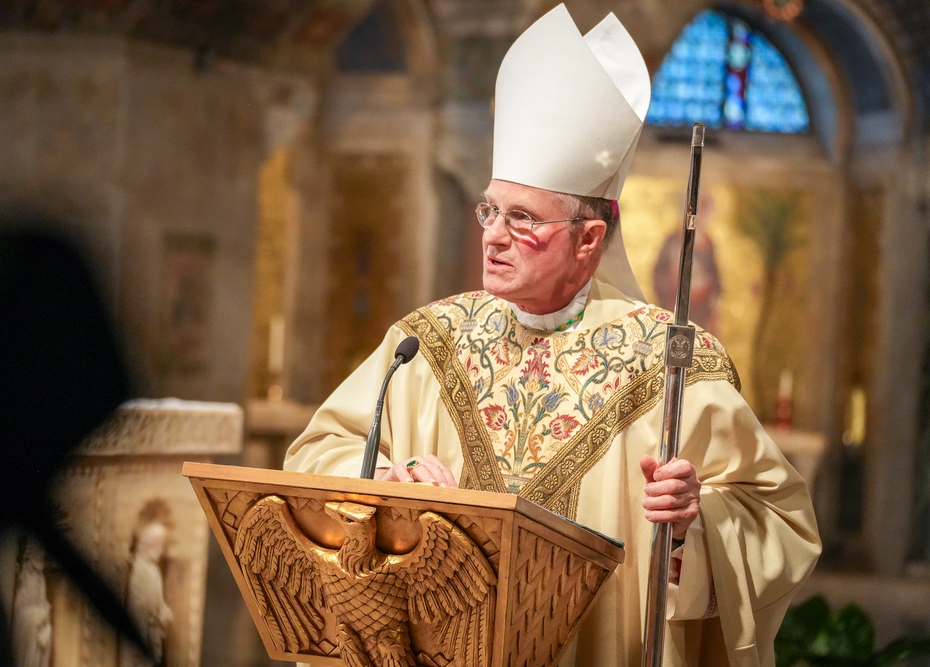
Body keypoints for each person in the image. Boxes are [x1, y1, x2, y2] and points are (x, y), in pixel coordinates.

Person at [284, 5, 820, 666]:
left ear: (588, 239)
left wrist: (694, 523)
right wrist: (384, 484)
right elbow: (315, 458)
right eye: (490, 210)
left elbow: (782, 522)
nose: (494, 234)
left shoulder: (674, 363)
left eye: (522, 217)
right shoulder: (424, 343)